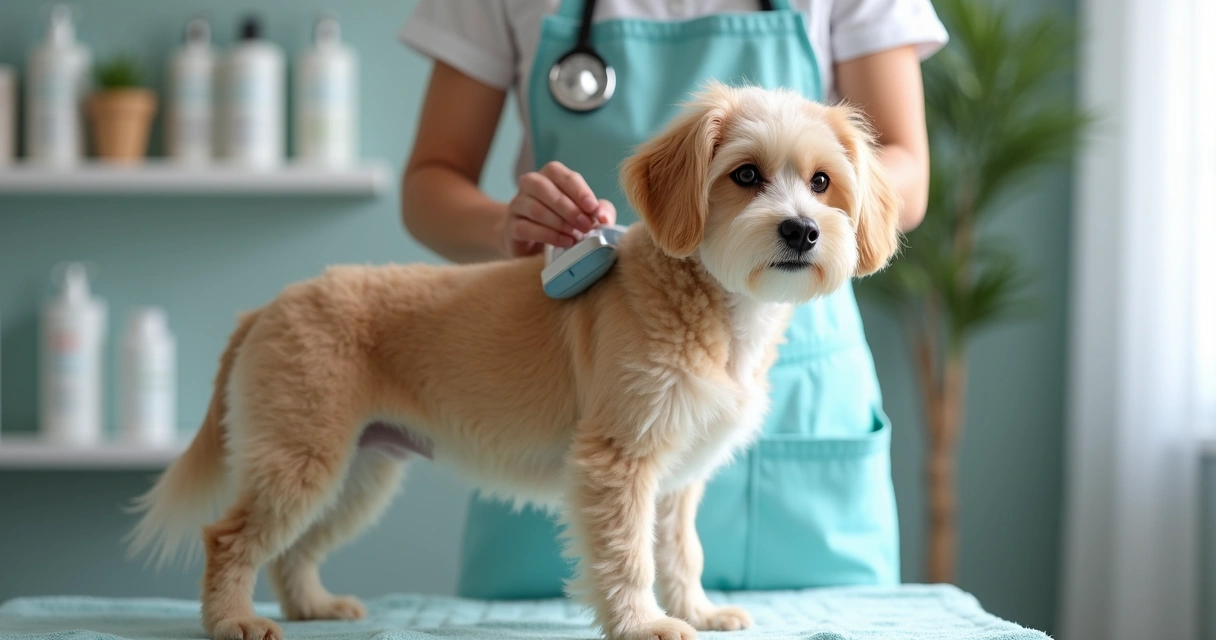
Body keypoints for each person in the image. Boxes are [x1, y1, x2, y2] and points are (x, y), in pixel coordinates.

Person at [399, 0, 947, 600]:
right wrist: (505, 222)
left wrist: (844, 194)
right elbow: (431, 179)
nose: (797, 209)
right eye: (749, 177)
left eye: (819, 182)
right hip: (562, 376)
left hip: (803, 391)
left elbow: (909, 169)